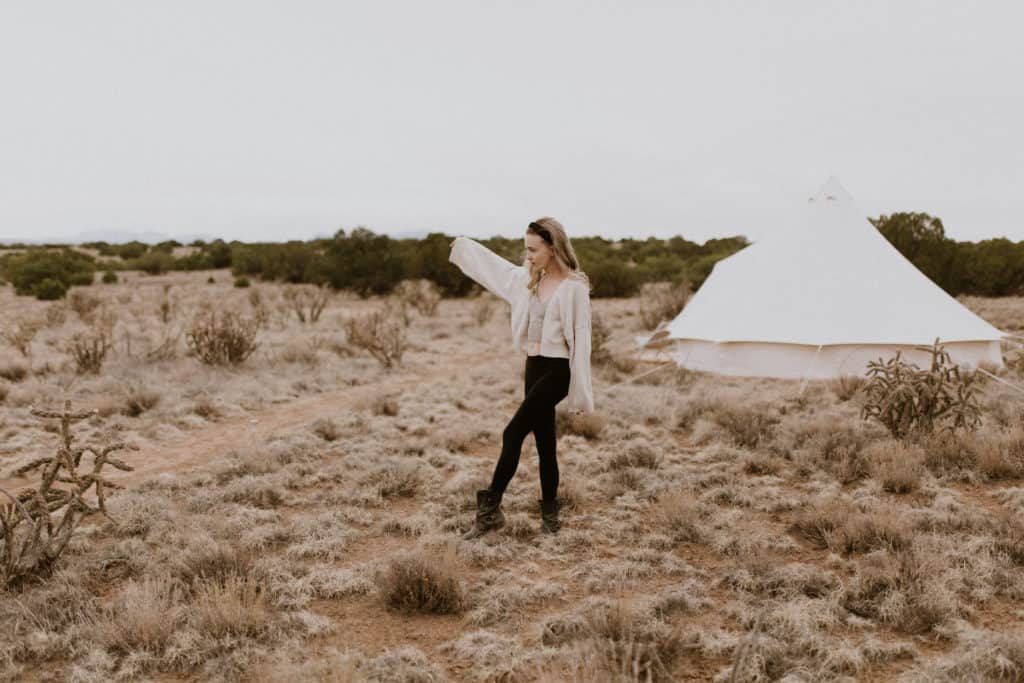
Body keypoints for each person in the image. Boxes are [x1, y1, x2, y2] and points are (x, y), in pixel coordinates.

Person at [448, 217, 594, 538]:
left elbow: (582, 343)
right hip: (534, 365)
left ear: (552, 248)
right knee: (544, 443)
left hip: (557, 370)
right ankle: (551, 517)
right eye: (525, 249)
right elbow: (496, 271)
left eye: (533, 249)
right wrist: (464, 248)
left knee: (512, 433)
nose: (527, 255)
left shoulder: (574, 289)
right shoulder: (528, 279)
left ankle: (490, 510)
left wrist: (580, 391)